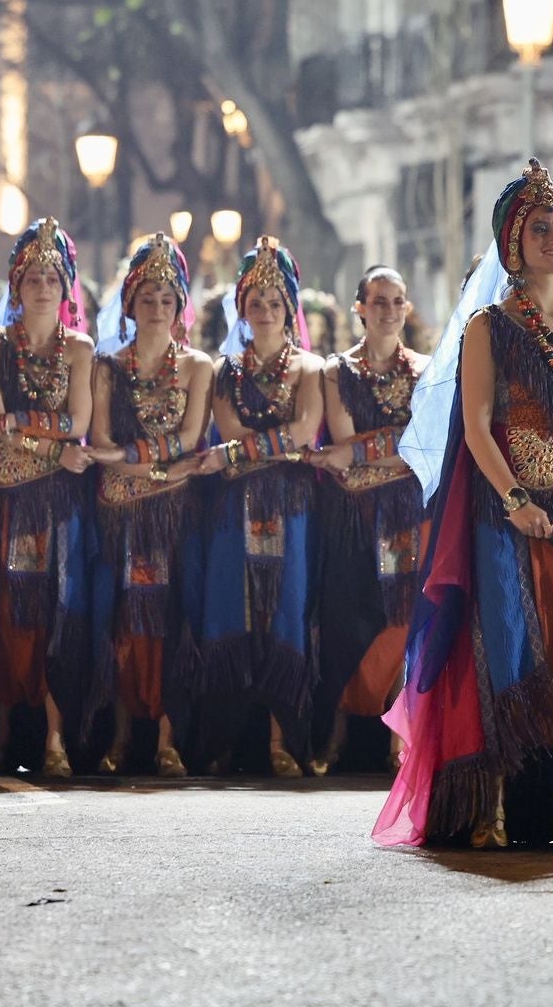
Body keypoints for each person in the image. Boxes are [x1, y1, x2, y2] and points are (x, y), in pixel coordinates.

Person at [375, 158, 553, 852]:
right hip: (509, 510)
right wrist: (515, 500)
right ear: (512, 241)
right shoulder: (488, 326)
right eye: (541, 227)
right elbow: (476, 425)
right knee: (509, 650)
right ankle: (495, 807)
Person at [0, 218, 98, 777]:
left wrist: (19, 426)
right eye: (33, 278)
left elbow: (79, 422)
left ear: (66, 287)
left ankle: (54, 736)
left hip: (58, 504)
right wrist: (43, 441)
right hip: (7, 501)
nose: (43, 287)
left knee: (55, 613)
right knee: (5, 612)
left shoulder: (81, 349)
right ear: (16, 286)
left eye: (52, 277)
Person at [89, 234, 212, 778]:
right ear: (129, 304)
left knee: (169, 620)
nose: (158, 307)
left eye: (167, 298)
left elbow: (191, 438)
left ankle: (167, 737)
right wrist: (155, 468)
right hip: (120, 515)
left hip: (174, 515)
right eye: (147, 298)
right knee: (121, 621)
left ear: (180, 304)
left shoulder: (199, 367)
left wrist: (132, 460)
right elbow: (99, 447)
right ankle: (118, 732)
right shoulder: (107, 368)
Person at [200, 236, 324, 777]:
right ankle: (225, 737)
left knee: (286, 611)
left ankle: (282, 741)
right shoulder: (224, 370)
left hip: (291, 504)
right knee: (233, 608)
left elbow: (302, 432)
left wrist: (244, 450)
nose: (267, 311)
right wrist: (275, 446)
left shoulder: (312, 368)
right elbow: (230, 430)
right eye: (256, 303)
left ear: (290, 307)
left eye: (276, 302)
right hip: (235, 506)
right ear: (242, 310)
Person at [305, 266, 428, 775]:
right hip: (354, 516)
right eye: (378, 301)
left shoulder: (427, 370)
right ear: (359, 307)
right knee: (346, 616)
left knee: (403, 621)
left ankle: (398, 736)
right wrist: (393, 448)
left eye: (397, 301)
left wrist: (362, 455)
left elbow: (424, 446)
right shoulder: (336, 372)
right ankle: (336, 728)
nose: (388, 310)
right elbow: (340, 436)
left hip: (406, 509)